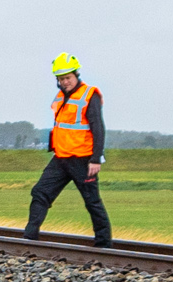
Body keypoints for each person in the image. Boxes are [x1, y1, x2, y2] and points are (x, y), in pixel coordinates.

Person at [22, 53, 113, 243]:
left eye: (68, 78)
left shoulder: (89, 95)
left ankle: (104, 245)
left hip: (83, 160)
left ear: (76, 75)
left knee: (92, 202)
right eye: (61, 79)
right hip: (60, 159)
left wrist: (96, 159)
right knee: (40, 193)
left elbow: (98, 127)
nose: (65, 82)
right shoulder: (60, 97)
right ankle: (29, 239)